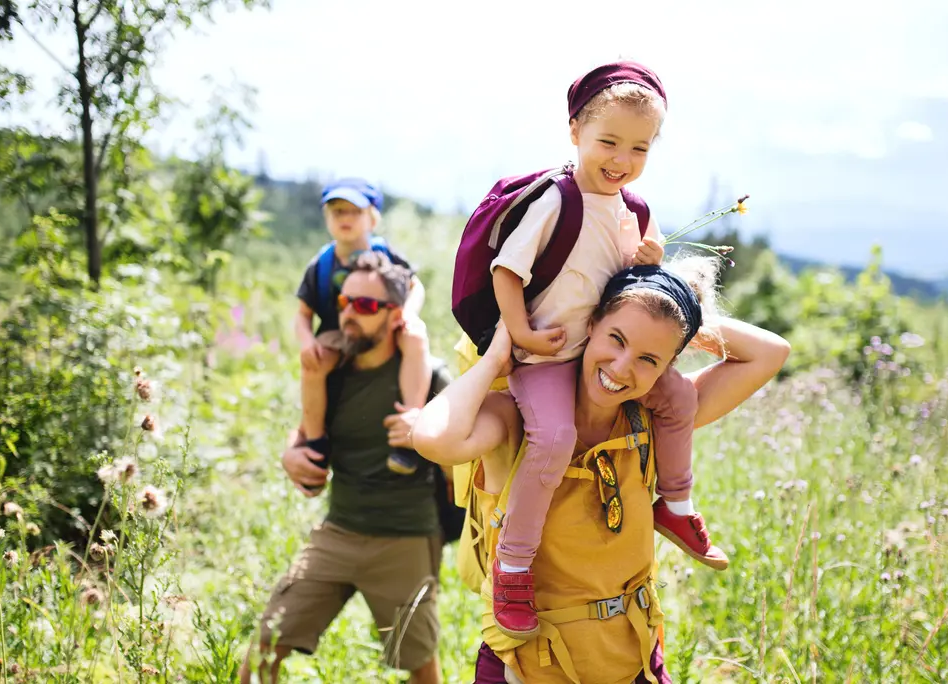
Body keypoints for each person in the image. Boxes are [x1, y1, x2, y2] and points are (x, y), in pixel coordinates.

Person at [413, 262, 791, 683]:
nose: (622, 368)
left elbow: (771, 352)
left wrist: (668, 313)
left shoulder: (655, 422)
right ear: (590, 324)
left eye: (648, 359)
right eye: (617, 338)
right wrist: (497, 358)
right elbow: (433, 439)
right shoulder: (516, 418)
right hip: (528, 667)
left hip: (634, 661)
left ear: (666, 366)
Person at [481, 60, 725, 641]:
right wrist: (521, 335)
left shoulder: (633, 210)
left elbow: (640, 289)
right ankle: (513, 565)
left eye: (639, 148)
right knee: (554, 438)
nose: (622, 159)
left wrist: (650, 260)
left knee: (678, 399)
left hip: (601, 352)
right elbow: (507, 271)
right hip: (547, 355)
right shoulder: (556, 200)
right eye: (608, 142)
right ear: (575, 131)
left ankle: (675, 504)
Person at [242, 252, 447, 684]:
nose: (349, 313)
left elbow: (464, 455)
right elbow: (305, 431)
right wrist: (290, 454)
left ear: (395, 315)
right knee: (262, 650)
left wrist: (428, 433)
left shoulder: (430, 376)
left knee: (420, 664)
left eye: (365, 305)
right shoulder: (330, 371)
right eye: (344, 302)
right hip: (338, 532)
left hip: (406, 537)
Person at [295, 177, 430, 478]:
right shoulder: (321, 264)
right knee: (313, 365)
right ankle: (316, 443)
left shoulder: (386, 254)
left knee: (415, 337)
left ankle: (409, 426)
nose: (345, 218)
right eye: (337, 211)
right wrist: (306, 342)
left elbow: (415, 286)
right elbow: (303, 314)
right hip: (337, 332)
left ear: (373, 219)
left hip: (385, 326)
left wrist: (409, 313)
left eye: (354, 211)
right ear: (327, 218)